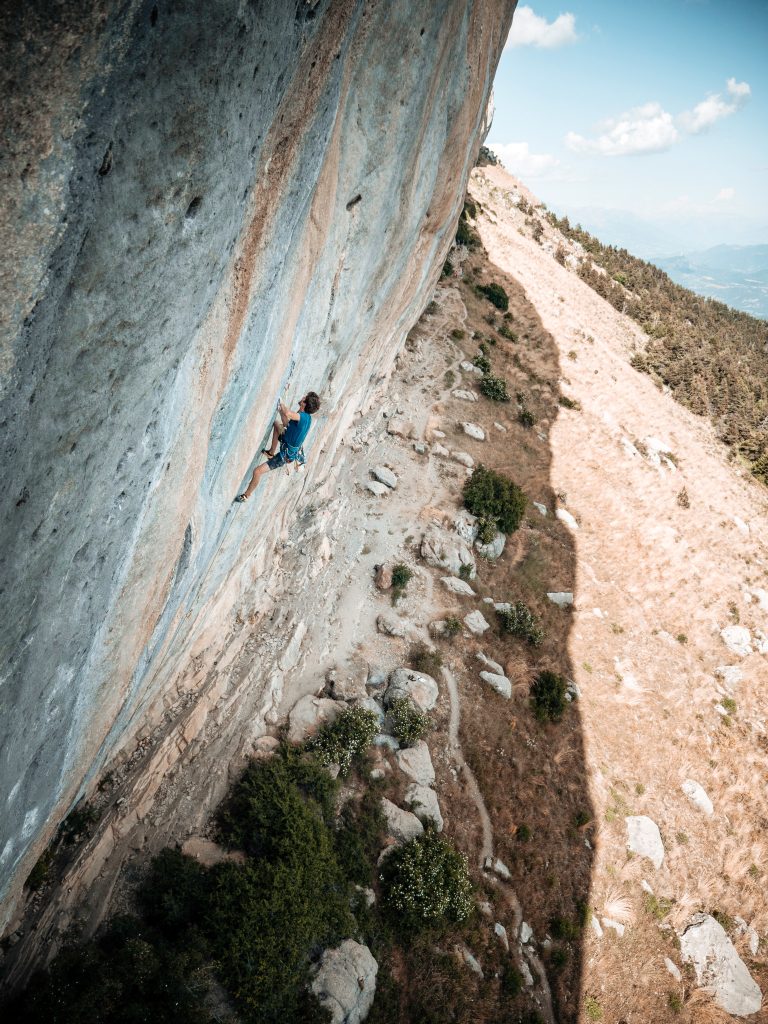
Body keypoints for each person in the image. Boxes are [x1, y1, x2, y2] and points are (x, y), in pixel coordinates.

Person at [235, 391, 320, 502]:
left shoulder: (303, 417)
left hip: (285, 456)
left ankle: (246, 495)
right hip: (287, 443)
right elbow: (287, 424)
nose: (303, 396)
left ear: (304, 403)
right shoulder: (306, 418)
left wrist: (282, 404)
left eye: (305, 398)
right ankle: (271, 452)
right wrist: (280, 411)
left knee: (257, 471)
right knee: (276, 424)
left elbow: (288, 414)